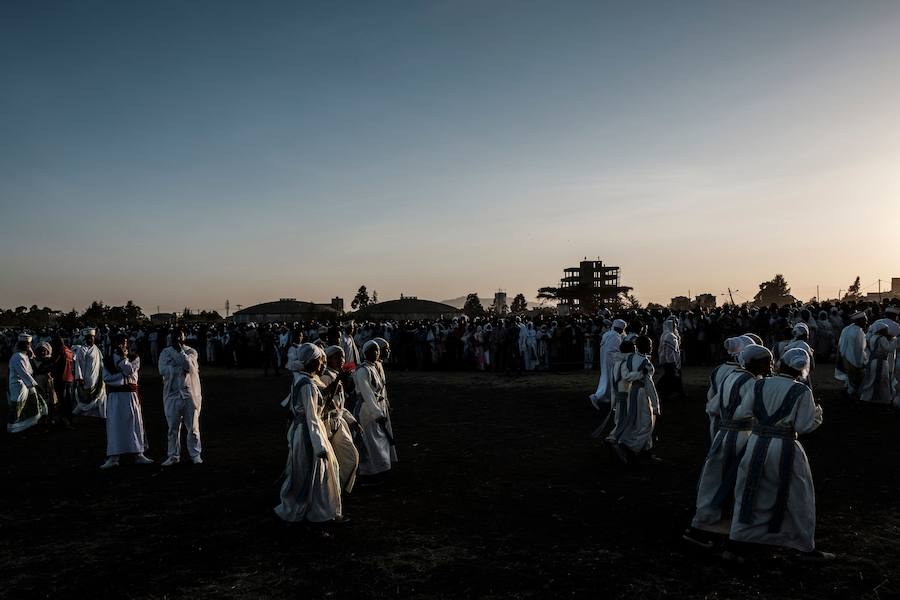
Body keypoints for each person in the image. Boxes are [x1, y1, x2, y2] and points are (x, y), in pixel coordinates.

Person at [727, 347, 827, 558]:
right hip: (785, 445)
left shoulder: (759, 384)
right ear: (802, 369)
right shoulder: (802, 391)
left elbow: (742, 413)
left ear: (782, 363)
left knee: (750, 490)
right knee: (797, 495)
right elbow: (804, 425)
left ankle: (742, 535)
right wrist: (817, 414)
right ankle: (801, 542)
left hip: (756, 443)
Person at [684, 344, 772, 547]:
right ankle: (714, 529)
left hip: (723, 434)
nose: (770, 365)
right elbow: (756, 412)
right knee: (732, 483)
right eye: (766, 361)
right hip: (741, 436)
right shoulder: (752, 383)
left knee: (715, 479)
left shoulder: (730, 376)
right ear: (754, 362)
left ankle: (704, 525)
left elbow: (714, 405)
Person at [274, 343, 344, 523]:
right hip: (310, 433)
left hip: (303, 431)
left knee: (304, 471)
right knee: (317, 471)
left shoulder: (302, 379)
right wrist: (320, 446)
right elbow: (312, 416)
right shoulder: (308, 385)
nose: (322, 365)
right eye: (320, 361)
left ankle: (314, 509)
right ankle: (319, 512)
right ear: (312, 362)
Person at [100, 334, 152, 469]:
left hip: (130, 396)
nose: (122, 346)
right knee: (115, 425)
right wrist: (123, 377)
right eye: (119, 343)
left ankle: (138, 453)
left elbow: (130, 371)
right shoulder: (108, 360)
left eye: (124, 343)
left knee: (134, 423)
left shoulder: (134, 358)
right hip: (115, 397)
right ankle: (114, 457)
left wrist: (123, 362)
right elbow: (107, 378)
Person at [610, 335, 660, 461]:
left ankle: (646, 449)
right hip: (643, 393)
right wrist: (655, 404)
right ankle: (632, 447)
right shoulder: (646, 363)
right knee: (646, 423)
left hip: (631, 392)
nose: (651, 346)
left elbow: (626, 376)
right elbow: (650, 385)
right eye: (649, 344)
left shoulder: (630, 358)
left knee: (635, 421)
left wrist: (636, 375)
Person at [158, 328, 203, 466]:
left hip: (189, 394)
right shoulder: (165, 352)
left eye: (180, 338)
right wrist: (177, 369)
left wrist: (180, 355)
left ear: (184, 338)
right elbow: (162, 370)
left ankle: (195, 454)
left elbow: (190, 366)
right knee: (172, 428)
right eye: (174, 338)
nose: (177, 340)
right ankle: (173, 455)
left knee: (193, 427)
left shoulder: (191, 351)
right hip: (172, 394)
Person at [353, 340, 397, 479]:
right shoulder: (362, 370)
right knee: (371, 443)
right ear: (365, 353)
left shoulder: (374, 366)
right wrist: (377, 414)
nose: (375, 353)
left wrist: (385, 406)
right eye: (372, 350)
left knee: (380, 441)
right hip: (368, 411)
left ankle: (381, 468)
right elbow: (367, 394)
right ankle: (370, 473)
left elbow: (381, 390)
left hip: (378, 408)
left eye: (376, 350)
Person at [319, 346, 360, 493]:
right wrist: (338, 381)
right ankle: (335, 491)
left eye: (342, 357)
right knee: (335, 462)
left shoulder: (337, 375)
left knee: (351, 458)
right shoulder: (325, 377)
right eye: (336, 357)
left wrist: (352, 420)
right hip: (327, 425)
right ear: (328, 360)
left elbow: (340, 406)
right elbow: (323, 403)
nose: (341, 360)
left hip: (339, 423)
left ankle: (338, 489)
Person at [7, 333, 49, 433]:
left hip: (26, 386)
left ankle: (27, 427)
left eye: (28, 344)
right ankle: (16, 430)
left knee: (29, 407)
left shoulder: (24, 356)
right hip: (18, 387)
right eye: (25, 344)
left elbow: (30, 371)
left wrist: (31, 356)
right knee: (18, 409)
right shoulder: (17, 357)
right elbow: (24, 374)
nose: (27, 346)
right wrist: (36, 385)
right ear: (20, 344)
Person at [590, 319, 626, 408]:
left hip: (605, 361)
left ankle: (607, 399)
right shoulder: (616, 336)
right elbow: (614, 351)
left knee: (606, 380)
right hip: (612, 362)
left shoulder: (607, 334)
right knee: (610, 381)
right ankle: (598, 397)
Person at [73, 328, 107, 418]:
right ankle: (77, 413)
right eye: (88, 337)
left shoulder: (97, 349)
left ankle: (101, 415)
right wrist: (79, 378)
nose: (91, 339)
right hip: (86, 378)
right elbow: (78, 365)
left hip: (97, 377)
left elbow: (101, 363)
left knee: (100, 395)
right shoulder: (81, 350)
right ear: (85, 338)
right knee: (86, 398)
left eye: (92, 337)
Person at [859, 321, 894, 406]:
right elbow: (889, 349)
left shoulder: (872, 337)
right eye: (885, 330)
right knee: (884, 381)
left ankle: (866, 397)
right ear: (881, 330)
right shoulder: (882, 338)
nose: (887, 331)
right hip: (881, 362)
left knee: (871, 380)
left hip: (873, 361)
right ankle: (884, 399)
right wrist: (893, 341)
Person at [836, 312, 868, 399]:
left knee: (849, 378)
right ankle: (851, 394)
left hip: (845, 356)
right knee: (855, 379)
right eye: (865, 321)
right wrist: (862, 363)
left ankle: (848, 391)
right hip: (853, 359)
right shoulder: (858, 332)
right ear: (859, 321)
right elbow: (859, 350)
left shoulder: (847, 329)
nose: (866, 323)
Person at [50, 334, 76, 429]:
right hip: (69, 379)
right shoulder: (69, 350)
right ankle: (69, 420)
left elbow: (54, 363)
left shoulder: (60, 351)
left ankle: (64, 422)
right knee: (69, 401)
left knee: (62, 401)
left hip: (61, 379)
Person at [657, 316, 685, 401]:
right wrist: (672, 362)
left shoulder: (667, 334)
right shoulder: (669, 336)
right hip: (670, 361)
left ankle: (678, 392)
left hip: (670, 360)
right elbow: (669, 351)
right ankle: (664, 393)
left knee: (672, 376)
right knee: (670, 377)